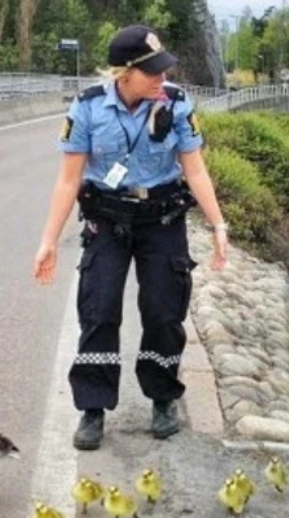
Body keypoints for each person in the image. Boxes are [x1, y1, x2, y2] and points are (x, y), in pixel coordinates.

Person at [31, 25, 229, 451]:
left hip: (162, 219)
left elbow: (194, 170)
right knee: (99, 309)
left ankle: (162, 396)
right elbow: (68, 182)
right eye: (152, 72)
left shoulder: (175, 103)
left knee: (163, 310)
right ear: (124, 73)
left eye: (163, 70)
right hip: (108, 219)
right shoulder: (87, 108)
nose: (162, 78)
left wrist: (219, 225)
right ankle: (93, 407)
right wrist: (49, 240)